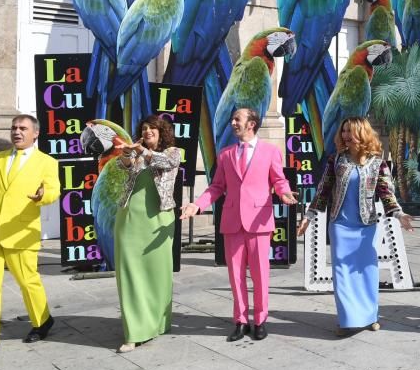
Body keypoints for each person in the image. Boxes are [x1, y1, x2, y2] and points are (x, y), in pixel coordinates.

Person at [180, 108, 297, 341]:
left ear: (251, 124)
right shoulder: (225, 154)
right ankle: (240, 321)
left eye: (237, 119)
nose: (233, 122)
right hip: (232, 222)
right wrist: (197, 205)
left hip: (258, 222)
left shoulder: (270, 151)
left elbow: (279, 179)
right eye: (232, 119)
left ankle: (260, 320)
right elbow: (216, 187)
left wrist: (284, 194)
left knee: (260, 274)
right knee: (235, 275)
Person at [298, 118, 414, 336]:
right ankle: (348, 320)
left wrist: (398, 213)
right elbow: (323, 190)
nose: (345, 135)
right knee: (342, 273)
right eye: (343, 131)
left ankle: (370, 316)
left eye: (350, 131)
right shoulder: (336, 160)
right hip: (340, 225)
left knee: (366, 271)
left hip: (365, 227)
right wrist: (309, 216)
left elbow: (386, 193)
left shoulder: (378, 163)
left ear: (362, 133)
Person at [0, 115, 60, 365]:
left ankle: (43, 320)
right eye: (14, 128)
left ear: (35, 134)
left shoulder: (47, 162)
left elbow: (54, 190)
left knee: (28, 282)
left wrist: (43, 195)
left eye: (23, 128)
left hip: (21, 233)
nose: (17, 132)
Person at [113, 115, 182, 353]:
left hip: (159, 219)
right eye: (144, 128)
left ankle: (158, 321)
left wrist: (143, 151)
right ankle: (134, 331)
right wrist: (126, 153)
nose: (148, 130)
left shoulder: (173, 151)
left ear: (162, 132)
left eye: (153, 127)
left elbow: (166, 163)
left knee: (158, 273)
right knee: (130, 272)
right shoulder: (136, 153)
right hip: (130, 218)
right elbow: (121, 167)